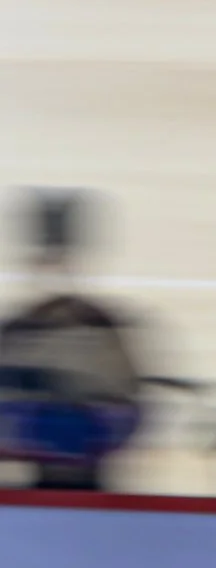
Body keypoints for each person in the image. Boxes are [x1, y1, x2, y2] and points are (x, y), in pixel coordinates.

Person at [0, 190, 144, 491]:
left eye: (61, 260)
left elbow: (127, 400)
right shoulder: (20, 328)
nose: (55, 269)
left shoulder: (100, 325)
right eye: (47, 260)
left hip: (92, 483)